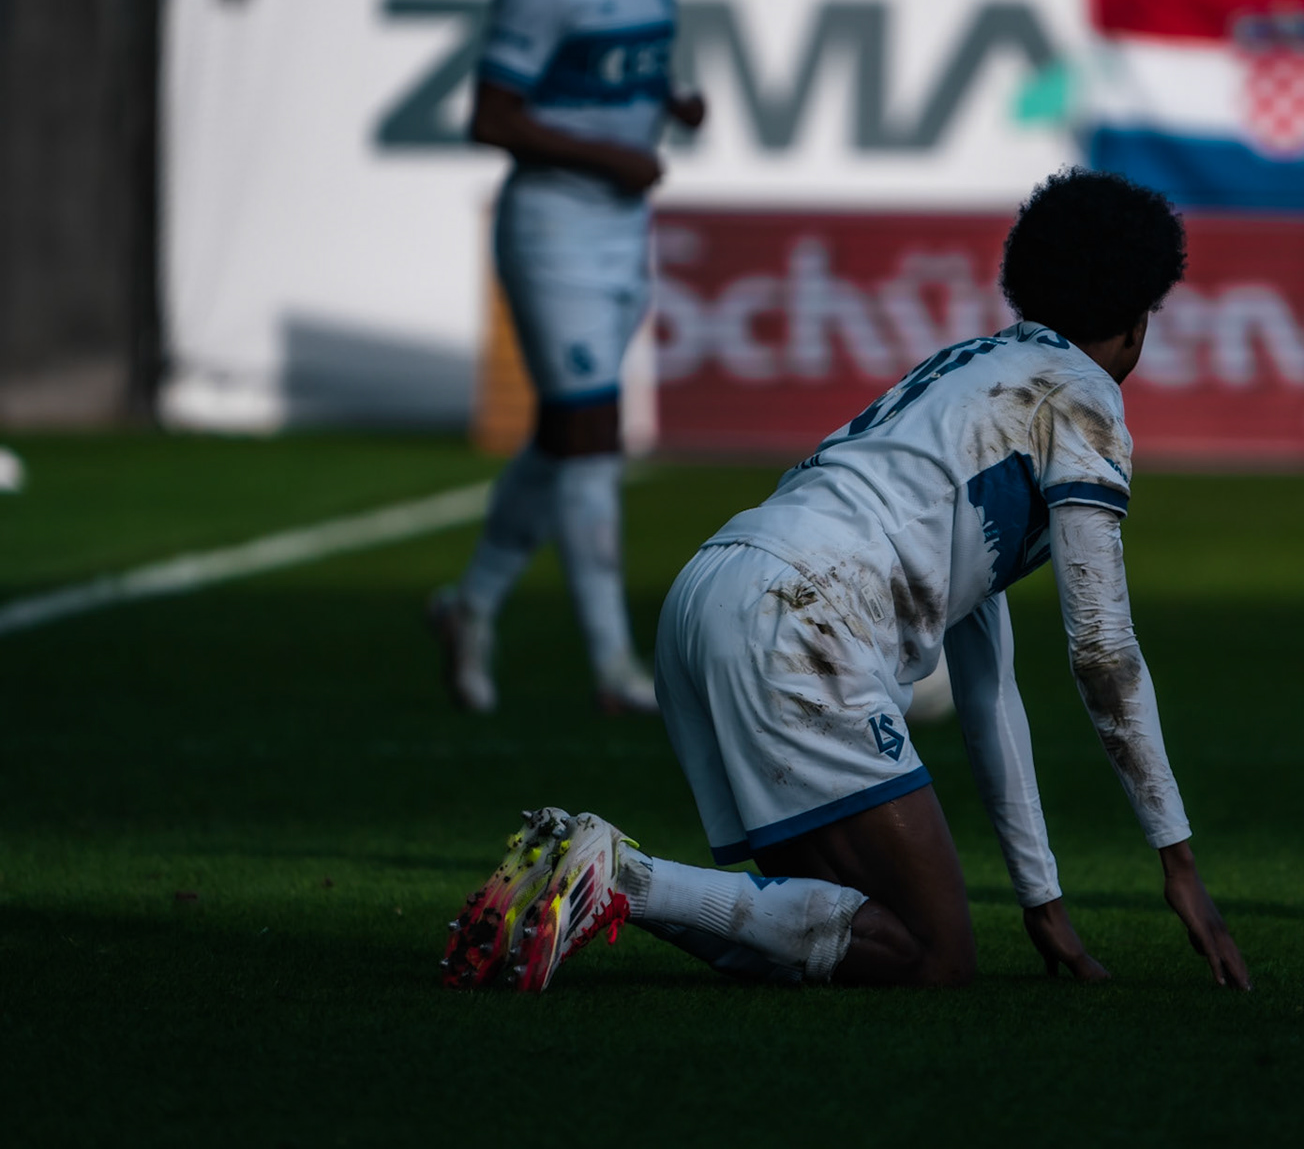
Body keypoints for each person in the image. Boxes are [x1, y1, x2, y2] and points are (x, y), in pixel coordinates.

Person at [442, 170, 1251, 993]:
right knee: (933, 961)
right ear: (1138, 315)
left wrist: (1044, 904)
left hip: (711, 590)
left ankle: (593, 889)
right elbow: (1103, 650)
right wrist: (1177, 860)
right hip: (802, 618)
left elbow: (987, 687)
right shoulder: (1085, 402)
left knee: (835, 919)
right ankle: (618, 879)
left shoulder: (971, 369)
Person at [428, 0, 705, 715]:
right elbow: (491, 117)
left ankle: (470, 602)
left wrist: (675, 99)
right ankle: (613, 665)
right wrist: (610, 158)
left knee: (564, 433)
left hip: (622, 231)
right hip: (553, 230)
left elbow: (644, 59)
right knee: (592, 436)